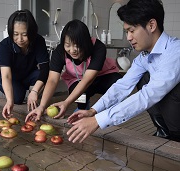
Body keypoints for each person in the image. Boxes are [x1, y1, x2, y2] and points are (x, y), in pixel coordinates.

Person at [66, 0, 180, 143]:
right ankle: (165, 132)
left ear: (151, 25)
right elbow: (122, 86)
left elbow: (147, 96)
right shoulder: (144, 57)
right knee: (143, 77)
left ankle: (176, 136)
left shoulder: (175, 52)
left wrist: (98, 121)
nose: (129, 37)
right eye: (127, 32)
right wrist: (93, 111)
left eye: (132, 31)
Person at [25, 19, 122, 122]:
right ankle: (82, 108)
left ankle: (111, 111)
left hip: (102, 76)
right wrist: (42, 106)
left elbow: (88, 80)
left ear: (85, 42)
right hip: (78, 80)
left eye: (76, 45)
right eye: (67, 45)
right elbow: (52, 80)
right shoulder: (59, 51)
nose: (72, 50)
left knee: (119, 84)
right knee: (77, 92)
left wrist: (66, 103)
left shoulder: (98, 48)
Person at [0, 9, 49, 119]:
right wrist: (10, 101)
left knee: (41, 75)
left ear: (32, 32)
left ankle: (31, 95)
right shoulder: (5, 45)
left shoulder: (38, 41)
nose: (20, 39)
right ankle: (19, 91)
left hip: (27, 75)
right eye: (15, 34)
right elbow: (6, 75)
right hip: (11, 77)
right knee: (17, 98)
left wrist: (34, 91)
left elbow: (45, 69)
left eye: (24, 34)